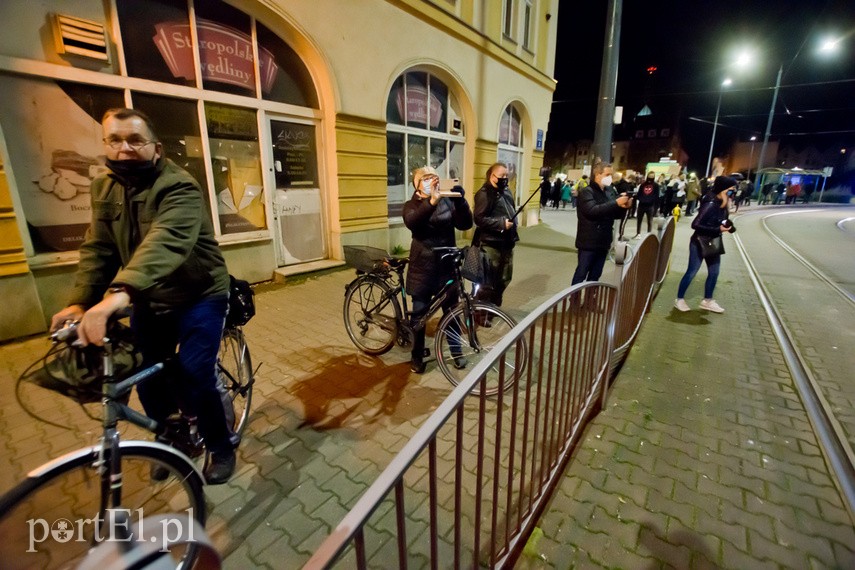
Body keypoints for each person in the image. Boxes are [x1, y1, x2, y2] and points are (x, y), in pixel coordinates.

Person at [50, 108, 237, 484]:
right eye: (115, 140)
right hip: (148, 298)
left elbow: (165, 242)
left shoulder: (179, 186)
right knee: (148, 377)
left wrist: (117, 296)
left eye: (135, 140)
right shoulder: (104, 187)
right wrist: (80, 302)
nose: (125, 148)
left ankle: (220, 446)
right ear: (105, 144)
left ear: (155, 147)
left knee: (195, 374)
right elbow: (99, 249)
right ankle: (174, 442)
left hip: (199, 293)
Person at [403, 167, 473, 373]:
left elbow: (465, 224)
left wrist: (461, 202)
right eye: (424, 178)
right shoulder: (411, 205)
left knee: (451, 313)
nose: (430, 180)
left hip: (446, 266)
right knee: (419, 316)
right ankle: (416, 355)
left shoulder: (447, 200)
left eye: (433, 176)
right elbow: (413, 222)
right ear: (416, 185)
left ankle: (457, 352)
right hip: (422, 268)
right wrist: (432, 201)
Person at [674, 175, 738, 314]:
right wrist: (717, 229)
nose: (733, 191)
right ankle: (679, 299)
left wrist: (728, 227)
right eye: (731, 189)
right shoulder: (710, 203)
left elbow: (720, 220)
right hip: (699, 242)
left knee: (714, 272)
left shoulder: (722, 202)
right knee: (692, 272)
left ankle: (707, 301)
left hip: (713, 241)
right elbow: (695, 224)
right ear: (723, 189)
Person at [571, 162, 632, 285]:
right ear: (598, 175)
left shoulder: (609, 191)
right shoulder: (586, 192)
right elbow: (592, 211)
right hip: (588, 242)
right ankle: (574, 300)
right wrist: (615, 203)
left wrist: (624, 207)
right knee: (581, 273)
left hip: (603, 241)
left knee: (596, 275)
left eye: (611, 175)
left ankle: (590, 299)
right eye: (607, 174)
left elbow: (614, 214)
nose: (610, 178)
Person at [473, 162, 519, 312]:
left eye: (506, 175)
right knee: (487, 281)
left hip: (507, 242)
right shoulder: (484, 193)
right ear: (492, 175)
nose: (505, 178)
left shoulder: (506, 191)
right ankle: (481, 312)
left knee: (504, 278)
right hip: (491, 243)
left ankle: (493, 307)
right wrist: (500, 224)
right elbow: (479, 218)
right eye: (501, 175)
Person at [634, 171, 659, 237]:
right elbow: (639, 194)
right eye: (650, 176)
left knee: (650, 221)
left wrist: (655, 206)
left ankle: (648, 235)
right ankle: (638, 233)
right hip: (641, 205)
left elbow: (656, 196)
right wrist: (641, 199)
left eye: (652, 176)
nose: (651, 177)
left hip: (650, 206)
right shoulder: (643, 185)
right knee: (639, 220)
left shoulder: (656, 185)